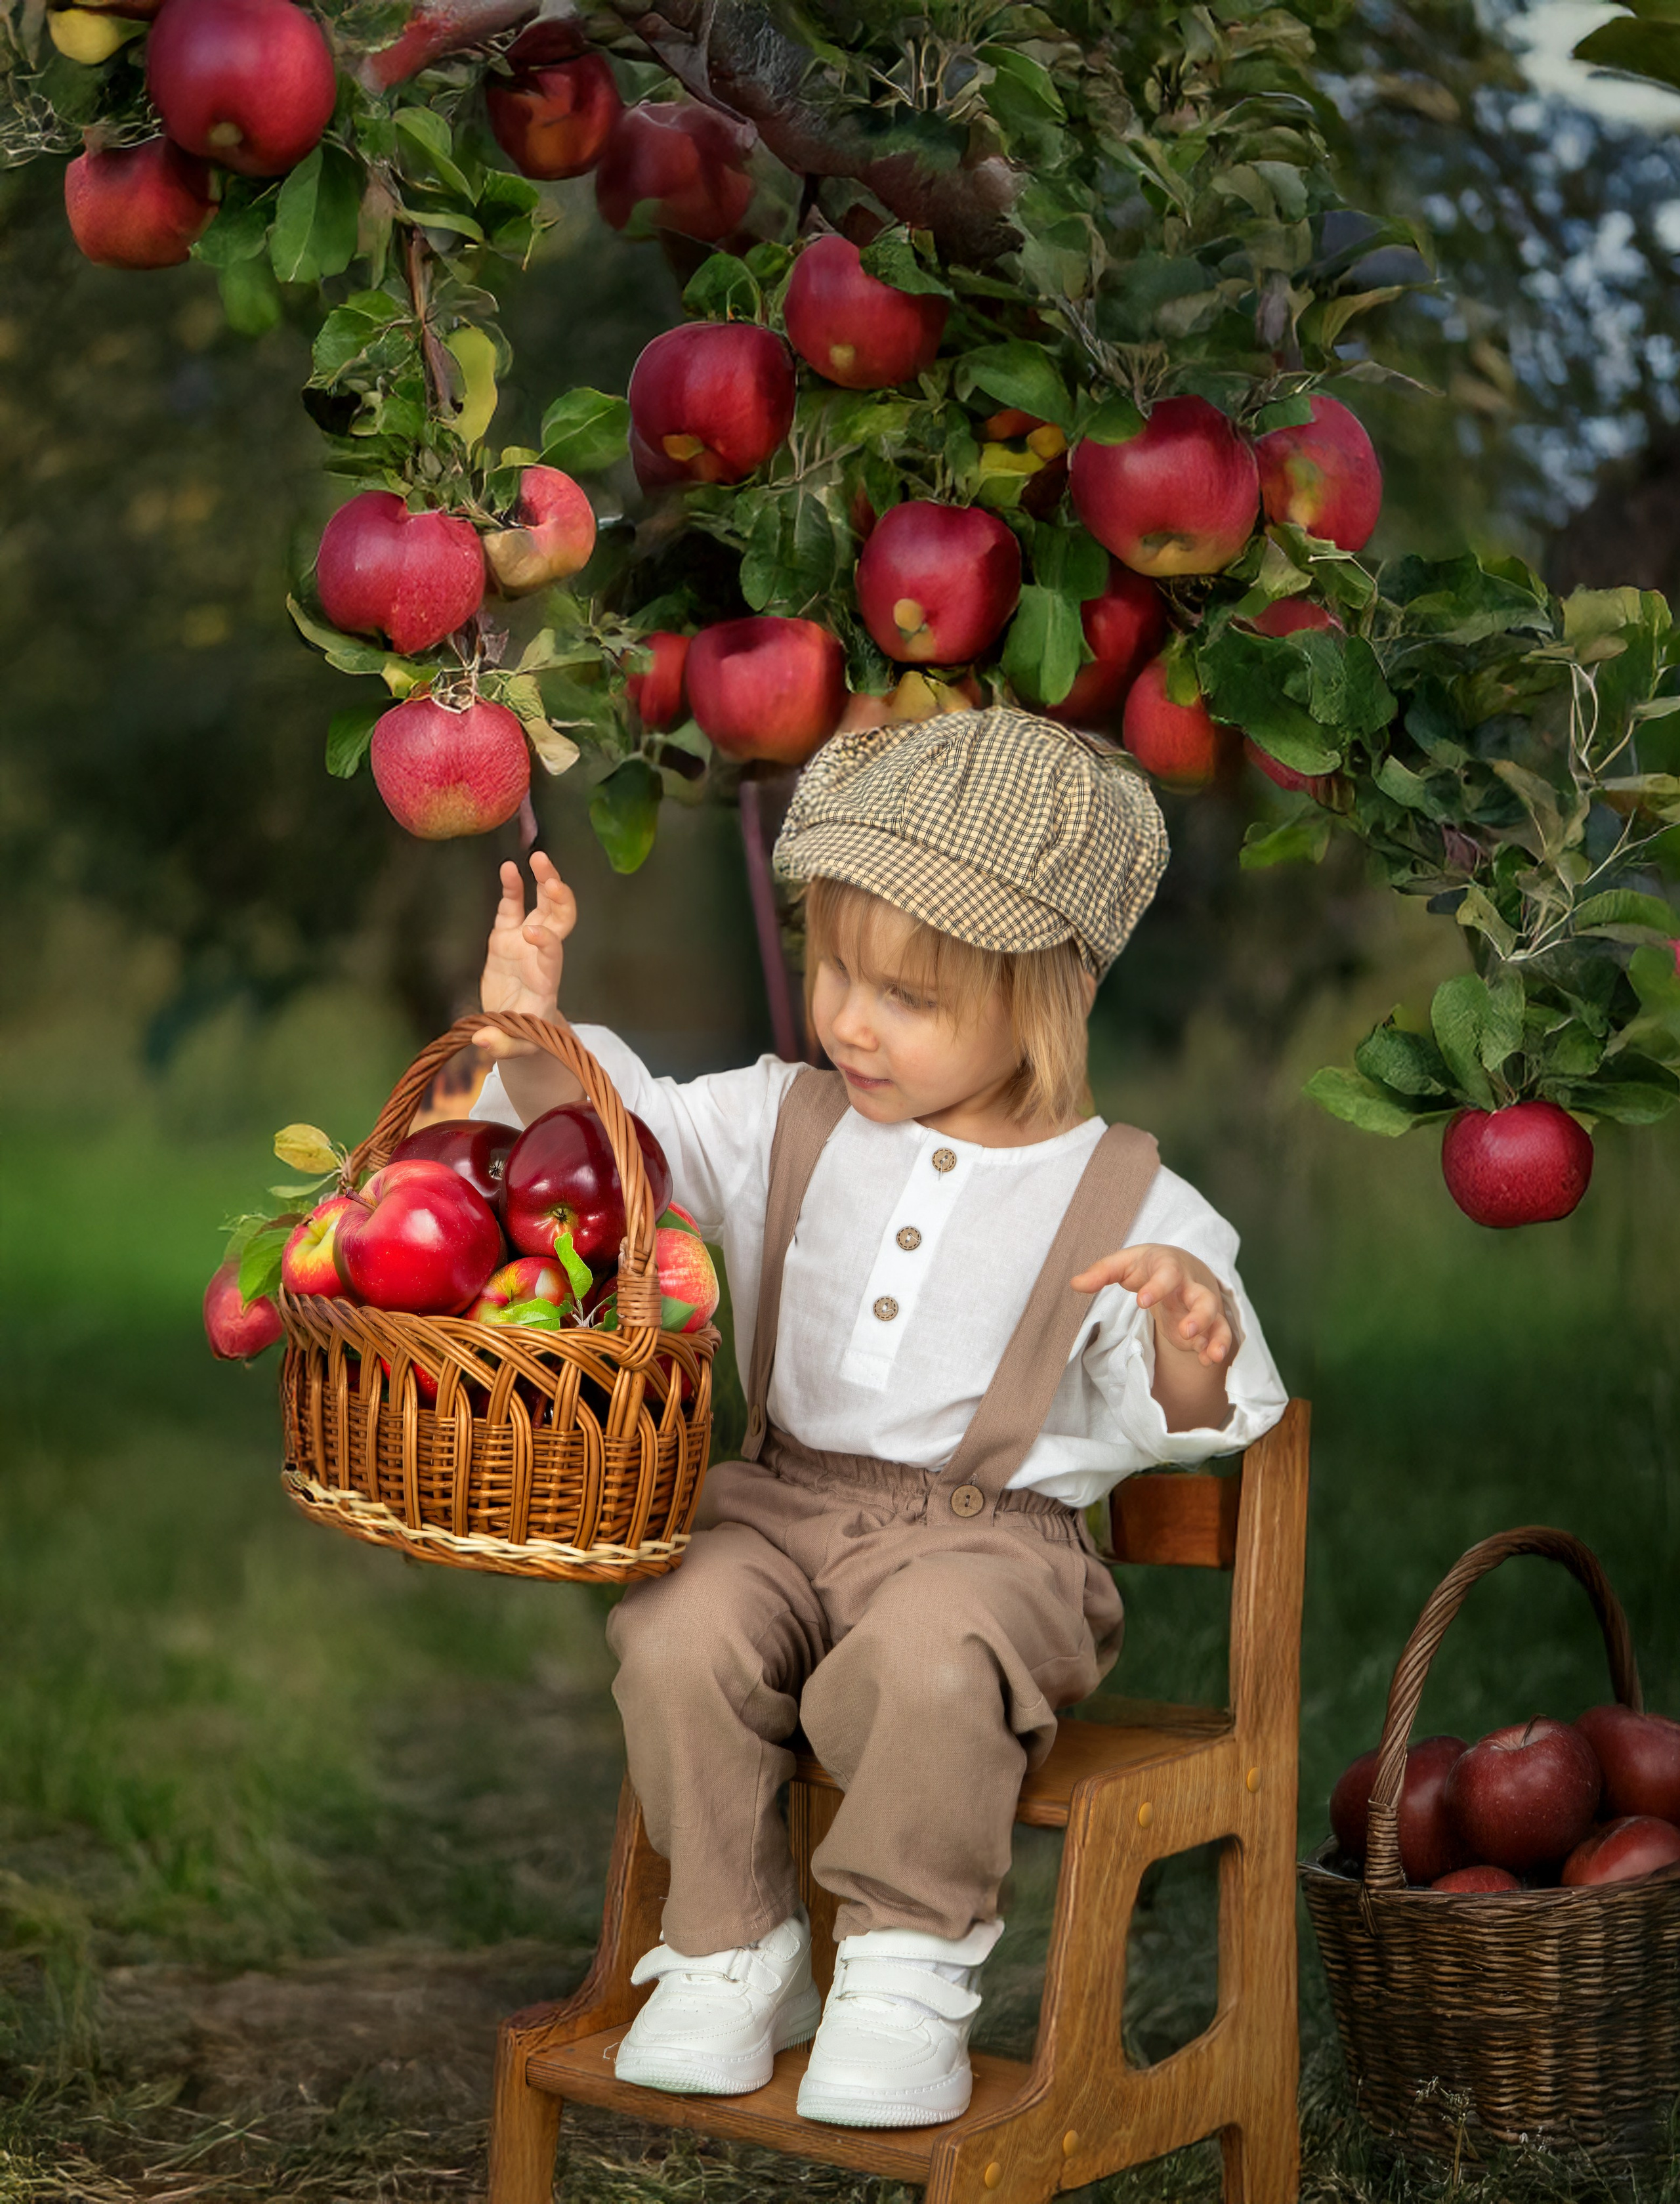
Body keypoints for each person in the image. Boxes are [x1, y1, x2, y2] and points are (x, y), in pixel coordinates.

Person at [469, 706, 1287, 2129]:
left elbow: (1196, 1415)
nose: (849, 1016)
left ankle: (906, 1958)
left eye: (905, 995)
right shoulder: (785, 1116)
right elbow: (611, 1146)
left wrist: (1183, 1325)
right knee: (674, 1623)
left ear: (1042, 997)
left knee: (924, 1655)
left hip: (992, 1554)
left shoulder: (1124, 1194)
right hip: (777, 1506)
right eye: (834, 965)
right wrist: (532, 1028)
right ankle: (733, 1946)